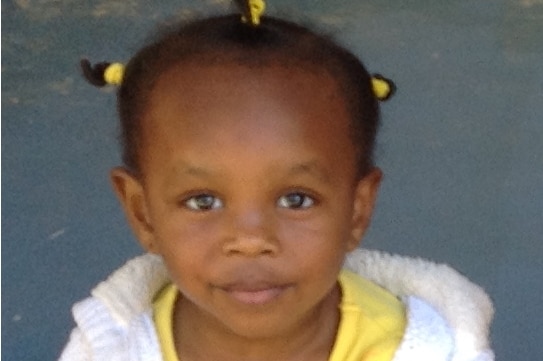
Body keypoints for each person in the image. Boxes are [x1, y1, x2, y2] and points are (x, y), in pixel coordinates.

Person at [60, 1, 494, 360]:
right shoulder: (109, 348)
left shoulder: (425, 351)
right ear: (143, 214)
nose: (251, 240)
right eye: (203, 201)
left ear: (357, 209)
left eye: (296, 200)